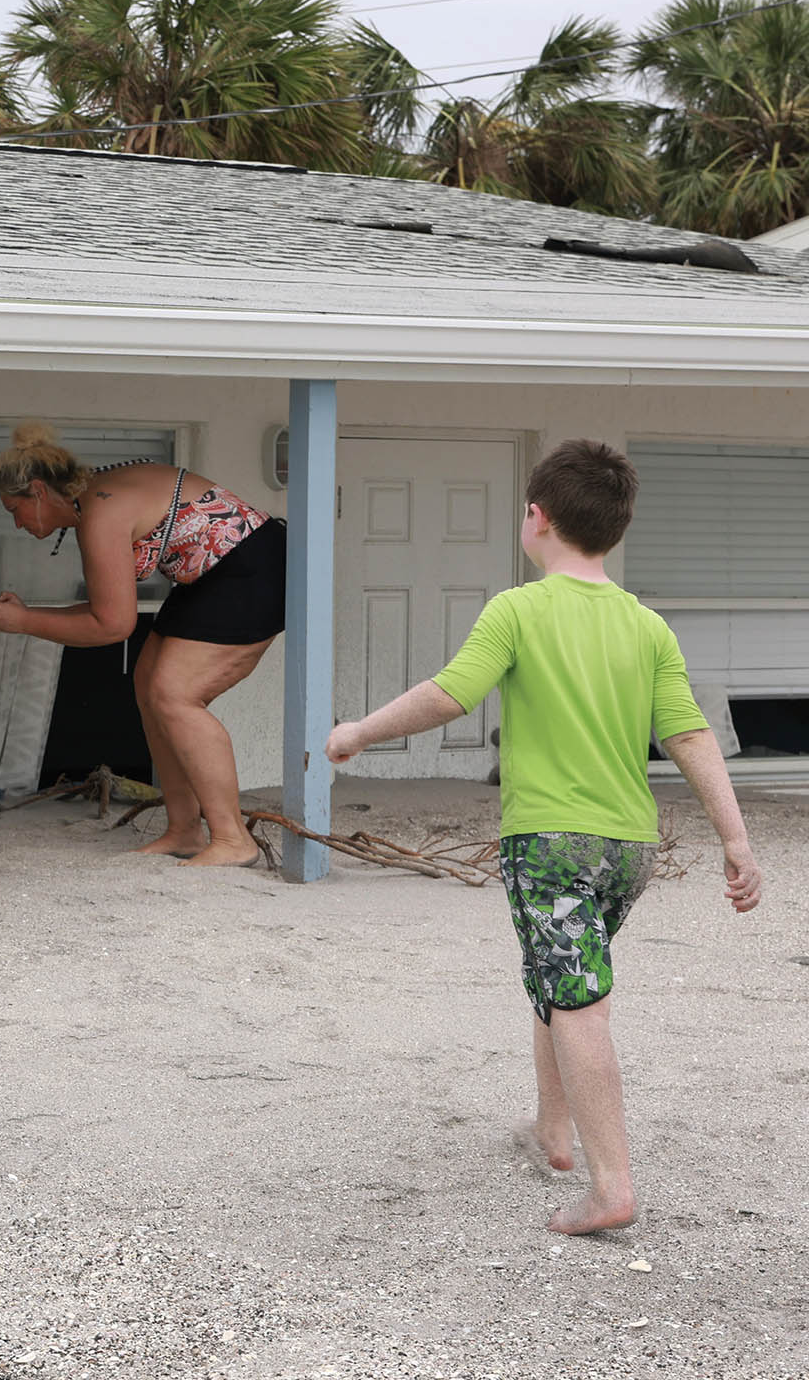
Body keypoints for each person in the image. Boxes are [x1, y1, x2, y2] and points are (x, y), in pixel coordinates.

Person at [326, 439, 762, 1236]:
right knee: (561, 981)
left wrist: (360, 731)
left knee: (579, 1002)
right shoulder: (645, 625)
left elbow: (451, 694)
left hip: (550, 842)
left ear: (538, 518)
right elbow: (692, 737)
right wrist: (736, 841)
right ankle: (553, 1132)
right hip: (629, 848)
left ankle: (611, 1187)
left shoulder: (518, 609)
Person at [0, 422, 285, 867]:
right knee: (148, 686)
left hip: (249, 569)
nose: (16, 522)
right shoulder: (92, 502)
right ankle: (184, 830)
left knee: (175, 695)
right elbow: (109, 612)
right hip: (207, 575)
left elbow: (112, 625)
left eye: (14, 509)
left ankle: (233, 839)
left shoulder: (99, 513)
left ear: (39, 492)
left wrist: (24, 622)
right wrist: (25, 619)